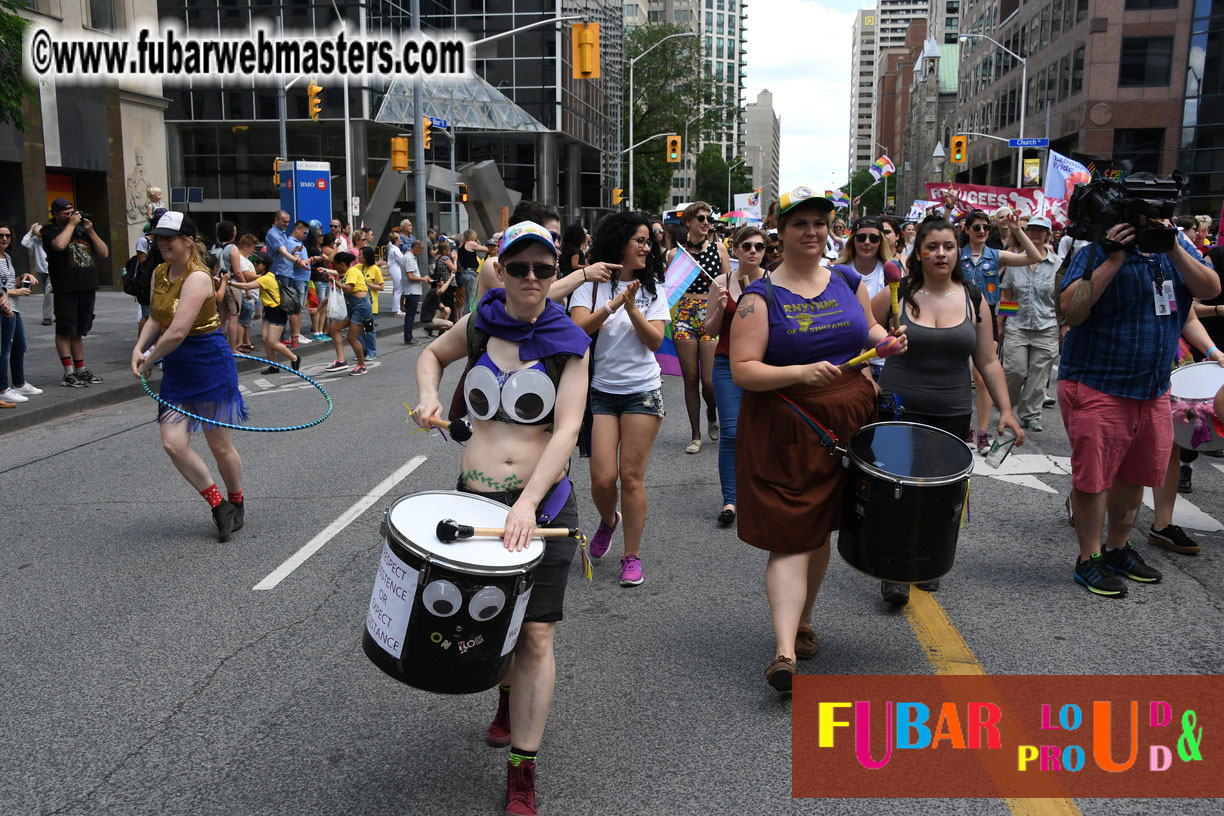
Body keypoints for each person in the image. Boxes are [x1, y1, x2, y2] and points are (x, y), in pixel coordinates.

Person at [412, 220, 591, 816]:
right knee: (494, 627)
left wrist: (526, 503)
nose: (533, 279)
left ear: (555, 269)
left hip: (541, 507)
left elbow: (566, 431)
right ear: (502, 270)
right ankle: (504, 696)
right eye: (520, 268)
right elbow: (431, 355)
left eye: (544, 267)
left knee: (536, 633)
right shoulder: (484, 323)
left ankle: (523, 768)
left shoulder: (569, 342)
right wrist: (431, 395)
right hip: (473, 499)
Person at [730, 187, 905, 691]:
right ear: (779, 232)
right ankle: (784, 650)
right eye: (800, 223)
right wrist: (799, 374)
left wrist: (886, 342)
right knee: (792, 533)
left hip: (851, 421)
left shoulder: (847, 278)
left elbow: (868, 328)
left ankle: (804, 623)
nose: (812, 232)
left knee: (823, 525)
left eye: (820, 223)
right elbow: (743, 370)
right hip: (789, 425)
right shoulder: (758, 298)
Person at [1059, 215, 1220, 597]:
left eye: (1162, 212)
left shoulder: (1174, 250)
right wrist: (1113, 259)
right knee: (1094, 479)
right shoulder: (1095, 252)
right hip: (1097, 383)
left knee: (1135, 475)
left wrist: (1175, 247)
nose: (1155, 221)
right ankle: (1089, 558)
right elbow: (1071, 309)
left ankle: (1117, 549)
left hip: (1151, 389)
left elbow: (1210, 288)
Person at [871, 216, 1025, 605]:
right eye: (932, 246)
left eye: (948, 246)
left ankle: (926, 561)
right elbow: (860, 336)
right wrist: (867, 377)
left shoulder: (974, 298)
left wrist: (1006, 410)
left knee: (940, 494)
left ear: (957, 253)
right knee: (897, 490)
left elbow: (988, 361)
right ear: (918, 252)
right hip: (899, 408)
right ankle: (894, 570)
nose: (941, 253)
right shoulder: (896, 293)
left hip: (951, 412)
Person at [129, 213, 248, 542]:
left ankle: (236, 502)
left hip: (208, 362)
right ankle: (218, 505)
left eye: (170, 237)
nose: (163, 243)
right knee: (173, 443)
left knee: (219, 445)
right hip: (177, 366)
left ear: (188, 241)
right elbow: (156, 317)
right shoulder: (159, 272)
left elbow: (179, 330)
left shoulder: (198, 277)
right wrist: (140, 349)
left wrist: (152, 356)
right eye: (158, 238)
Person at [570, 212, 670, 588]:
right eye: (640, 241)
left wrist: (632, 306)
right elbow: (578, 328)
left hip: (643, 391)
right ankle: (609, 521)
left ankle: (632, 556)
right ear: (620, 243)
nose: (647, 247)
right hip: (602, 392)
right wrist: (614, 304)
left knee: (630, 477)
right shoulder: (592, 286)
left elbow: (656, 342)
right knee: (601, 477)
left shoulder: (653, 289)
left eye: (649, 242)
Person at [959, 209, 1042, 453]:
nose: (982, 231)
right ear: (967, 230)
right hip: (959, 319)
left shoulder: (996, 256)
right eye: (977, 227)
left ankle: (982, 433)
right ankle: (967, 428)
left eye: (986, 227)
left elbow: (1033, 256)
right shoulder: (956, 255)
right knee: (960, 378)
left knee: (982, 378)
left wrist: (1017, 230)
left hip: (987, 321)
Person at [703, 225, 766, 527]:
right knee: (731, 433)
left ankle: (759, 491)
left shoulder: (773, 282)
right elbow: (710, 330)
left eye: (759, 247)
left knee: (762, 431)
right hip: (727, 363)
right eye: (747, 246)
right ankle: (731, 499)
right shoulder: (721, 281)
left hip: (764, 365)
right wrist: (720, 302)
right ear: (736, 249)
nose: (753, 251)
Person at [669, 201, 728, 453]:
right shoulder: (675, 255)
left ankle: (712, 412)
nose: (706, 223)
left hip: (711, 313)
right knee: (690, 377)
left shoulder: (720, 249)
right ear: (688, 222)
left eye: (708, 219)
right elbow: (668, 288)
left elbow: (728, 282)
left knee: (710, 381)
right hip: (684, 314)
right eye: (701, 219)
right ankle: (695, 435)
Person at [997, 216, 1061, 432]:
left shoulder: (1058, 264)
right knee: (1014, 370)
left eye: (1041, 230)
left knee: (1039, 374)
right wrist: (1001, 324)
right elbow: (1007, 294)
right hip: (1017, 324)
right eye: (1032, 229)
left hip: (1047, 326)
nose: (1035, 234)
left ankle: (1031, 414)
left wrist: (1065, 325)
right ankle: (1007, 408)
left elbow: (1062, 298)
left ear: (1048, 235)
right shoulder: (1016, 261)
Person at [44, 198, 108, 388]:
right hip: (66, 287)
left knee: (79, 331)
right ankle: (68, 372)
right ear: (55, 214)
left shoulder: (82, 231)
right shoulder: (50, 231)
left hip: (87, 287)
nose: (70, 215)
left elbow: (104, 253)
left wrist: (90, 230)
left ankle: (81, 369)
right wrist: (71, 225)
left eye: (72, 211)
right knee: (65, 329)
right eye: (65, 213)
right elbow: (59, 246)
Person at [836, 217, 893, 381]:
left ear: (880, 242)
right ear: (852, 240)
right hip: (850, 361)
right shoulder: (838, 273)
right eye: (861, 237)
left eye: (874, 238)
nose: (867, 242)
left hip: (885, 362)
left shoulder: (892, 273)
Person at [227, 252, 300, 373]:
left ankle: (294, 357)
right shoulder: (268, 275)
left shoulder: (266, 278)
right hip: (269, 311)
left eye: (258, 263)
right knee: (266, 339)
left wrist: (229, 282)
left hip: (277, 312)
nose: (255, 265)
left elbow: (247, 286)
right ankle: (274, 366)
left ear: (265, 265)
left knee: (272, 342)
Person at [0, 224, 42, 404]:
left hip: (14, 307)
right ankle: (3, 389)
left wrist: (23, 278)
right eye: (0, 236)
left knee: (20, 346)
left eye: (7, 236)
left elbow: (9, 282)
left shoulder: (7, 257)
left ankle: (19, 382)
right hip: (4, 308)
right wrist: (14, 292)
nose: (4, 239)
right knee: (4, 349)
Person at [324, 251, 370, 376]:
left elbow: (347, 288)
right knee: (333, 328)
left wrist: (333, 281)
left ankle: (361, 365)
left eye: (335, 265)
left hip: (360, 308)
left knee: (352, 338)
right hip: (353, 307)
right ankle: (341, 360)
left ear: (342, 264)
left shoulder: (353, 272)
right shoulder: (347, 273)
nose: (335, 268)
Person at [21, 222, 52, 326]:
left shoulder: (49, 238)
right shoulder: (34, 241)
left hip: (51, 271)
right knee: (48, 295)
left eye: (40, 235)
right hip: (41, 272)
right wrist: (30, 231)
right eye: (37, 235)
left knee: (48, 294)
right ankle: (57, 313)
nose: (40, 237)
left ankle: (47, 317)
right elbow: (24, 243)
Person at [233, 234, 260, 352]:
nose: (254, 250)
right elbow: (246, 275)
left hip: (250, 293)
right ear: (245, 246)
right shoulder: (240, 258)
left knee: (248, 319)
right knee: (243, 319)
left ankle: (247, 341)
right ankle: (239, 343)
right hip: (245, 292)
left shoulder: (246, 259)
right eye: (252, 247)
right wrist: (261, 277)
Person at [359, 245, 384, 359]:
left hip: (371, 304)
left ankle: (371, 351)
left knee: (369, 329)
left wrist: (369, 285)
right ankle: (362, 351)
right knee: (358, 329)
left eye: (360, 255)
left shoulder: (375, 269)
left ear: (366, 257)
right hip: (358, 303)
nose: (358, 257)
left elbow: (381, 287)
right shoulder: (358, 267)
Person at [456, 229, 483, 316]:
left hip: (464, 272)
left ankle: (465, 317)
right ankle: (470, 318)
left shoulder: (461, 247)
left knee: (467, 299)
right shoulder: (470, 243)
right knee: (472, 299)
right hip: (472, 273)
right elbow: (485, 249)